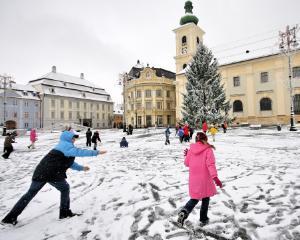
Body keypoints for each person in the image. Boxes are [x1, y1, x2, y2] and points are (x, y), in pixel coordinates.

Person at [1, 130, 107, 225]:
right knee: (65, 188)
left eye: (74, 138)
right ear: (68, 138)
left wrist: (81, 168)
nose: (74, 139)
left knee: (29, 194)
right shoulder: (67, 146)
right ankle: (64, 212)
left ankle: (10, 218)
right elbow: (80, 152)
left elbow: (68, 162)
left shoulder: (63, 146)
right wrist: (96, 152)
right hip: (52, 173)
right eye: (73, 137)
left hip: (41, 172)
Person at [177, 132, 222, 227]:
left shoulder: (192, 149)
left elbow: (186, 163)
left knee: (194, 198)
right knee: (206, 198)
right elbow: (211, 164)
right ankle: (203, 218)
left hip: (194, 179)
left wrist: (187, 155)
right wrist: (215, 177)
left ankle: (184, 211)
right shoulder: (208, 150)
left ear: (196, 140)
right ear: (205, 139)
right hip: (205, 180)